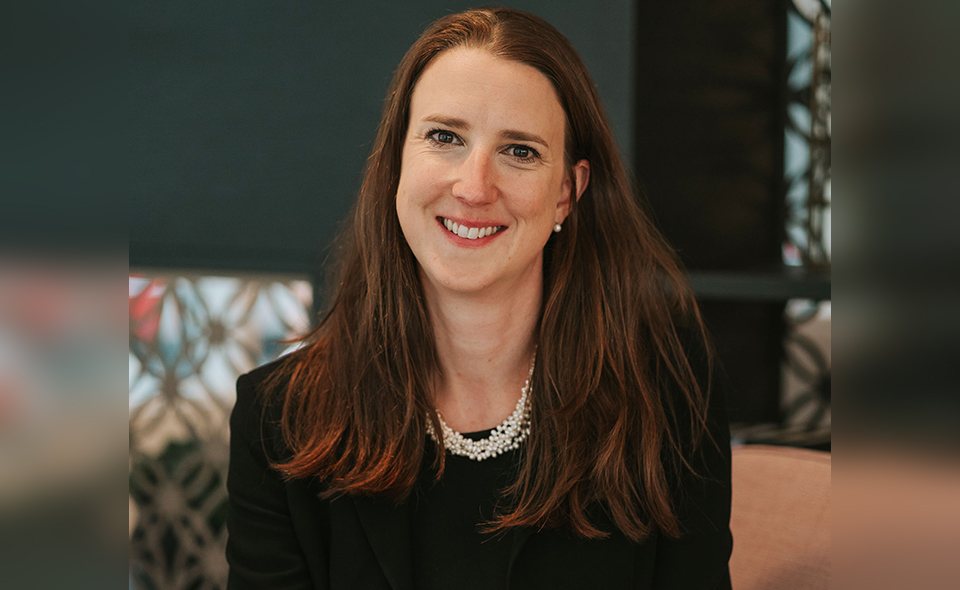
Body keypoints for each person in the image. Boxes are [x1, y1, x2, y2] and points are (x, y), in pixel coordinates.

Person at [226, 7, 732, 590]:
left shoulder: (670, 388)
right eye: (444, 137)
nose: (473, 187)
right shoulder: (278, 424)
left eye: (520, 151)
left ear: (567, 193)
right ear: (396, 165)